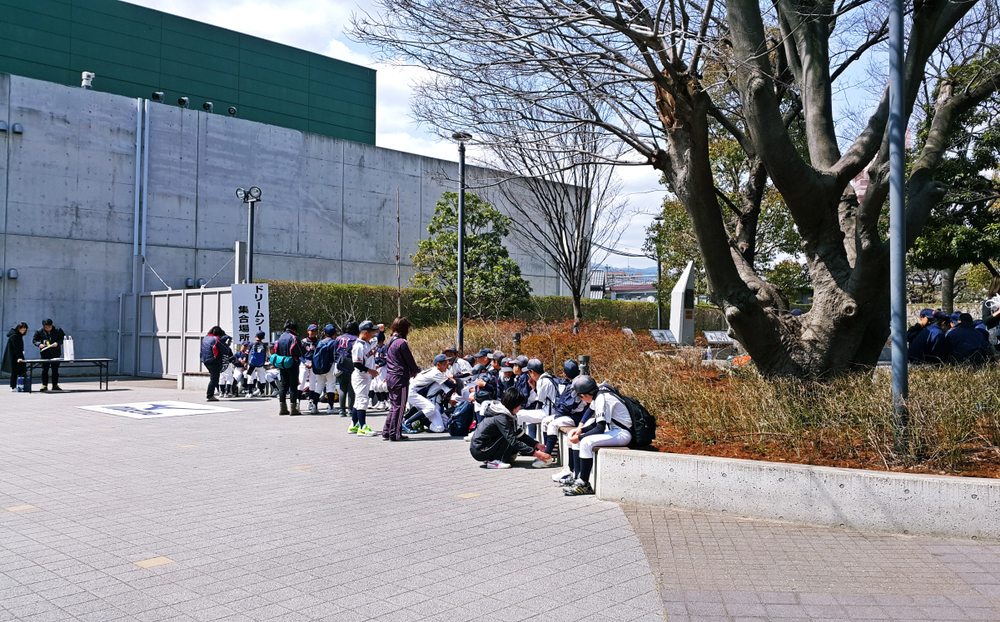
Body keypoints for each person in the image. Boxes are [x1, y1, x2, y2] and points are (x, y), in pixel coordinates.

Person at [563, 375, 633, 496]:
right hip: (614, 431)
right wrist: (580, 431)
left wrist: (580, 437)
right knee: (580, 440)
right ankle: (577, 478)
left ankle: (584, 484)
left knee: (585, 442)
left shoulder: (602, 398)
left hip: (622, 433)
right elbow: (597, 423)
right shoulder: (599, 395)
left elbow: (600, 428)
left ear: (584, 395)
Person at [469, 388, 552, 469]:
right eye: (519, 405)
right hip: (480, 450)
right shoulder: (501, 418)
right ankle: (494, 461)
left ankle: (494, 458)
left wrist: (537, 445)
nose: (520, 407)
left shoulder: (507, 414)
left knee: (511, 436)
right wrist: (536, 454)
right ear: (512, 404)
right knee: (509, 437)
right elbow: (512, 440)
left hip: (486, 447)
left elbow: (519, 434)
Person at [382, 317, 421, 441]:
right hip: (400, 377)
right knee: (400, 406)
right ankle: (395, 433)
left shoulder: (391, 341)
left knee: (394, 405)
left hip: (390, 376)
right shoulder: (402, 342)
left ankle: (387, 431)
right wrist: (416, 370)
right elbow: (409, 360)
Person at [404, 354, 457, 433]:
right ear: (438, 364)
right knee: (430, 408)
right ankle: (407, 422)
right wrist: (453, 380)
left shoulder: (434, 370)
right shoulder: (436, 373)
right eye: (445, 364)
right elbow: (450, 384)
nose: (447, 366)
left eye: (448, 364)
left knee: (423, 406)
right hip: (412, 391)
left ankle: (405, 420)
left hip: (414, 390)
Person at [350, 320, 381, 436]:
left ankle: (354, 425)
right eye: (372, 332)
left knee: (358, 401)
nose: (373, 334)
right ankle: (362, 427)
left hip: (365, 376)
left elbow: (379, 339)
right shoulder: (358, 346)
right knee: (363, 401)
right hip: (360, 377)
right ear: (365, 332)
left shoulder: (366, 343)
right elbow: (356, 364)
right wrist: (370, 370)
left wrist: (372, 367)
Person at [273, 319, 304, 415]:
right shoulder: (294, 338)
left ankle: (283, 408)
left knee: (283, 385)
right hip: (292, 364)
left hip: (282, 364)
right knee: (293, 386)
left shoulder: (280, 337)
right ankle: (293, 409)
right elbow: (299, 352)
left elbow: (276, 350)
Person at [309, 324, 339, 414]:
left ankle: (314, 407)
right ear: (334, 334)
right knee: (331, 386)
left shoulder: (320, 342)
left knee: (319, 387)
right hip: (330, 367)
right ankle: (330, 407)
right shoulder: (334, 342)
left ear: (325, 334)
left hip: (319, 367)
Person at [32, 319, 65, 391]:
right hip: (45, 353)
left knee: (55, 370)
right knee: (44, 370)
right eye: (46, 327)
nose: (48, 329)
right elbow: (35, 340)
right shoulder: (39, 331)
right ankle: (44, 385)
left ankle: (55, 385)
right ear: (43, 326)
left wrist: (57, 343)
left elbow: (63, 338)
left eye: (49, 327)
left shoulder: (58, 330)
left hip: (55, 353)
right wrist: (39, 344)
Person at [334, 322, 360, 417]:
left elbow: (334, 352)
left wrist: (336, 362)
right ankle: (350, 410)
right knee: (351, 388)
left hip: (341, 365)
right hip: (352, 365)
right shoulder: (356, 339)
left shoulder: (338, 338)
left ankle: (341, 410)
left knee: (341, 388)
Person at [200, 326, 232, 402]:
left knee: (214, 378)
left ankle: (216, 392)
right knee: (214, 379)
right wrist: (227, 344)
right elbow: (226, 350)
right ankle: (210, 395)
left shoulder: (206, 338)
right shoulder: (216, 339)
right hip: (214, 361)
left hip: (205, 360)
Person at [2, 322, 28, 391]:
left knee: (21, 370)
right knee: (15, 371)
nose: (23, 331)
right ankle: (13, 386)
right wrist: (19, 357)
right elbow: (16, 348)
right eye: (22, 330)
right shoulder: (14, 336)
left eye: (24, 330)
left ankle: (20, 385)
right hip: (14, 356)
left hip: (18, 355)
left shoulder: (18, 335)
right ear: (18, 329)